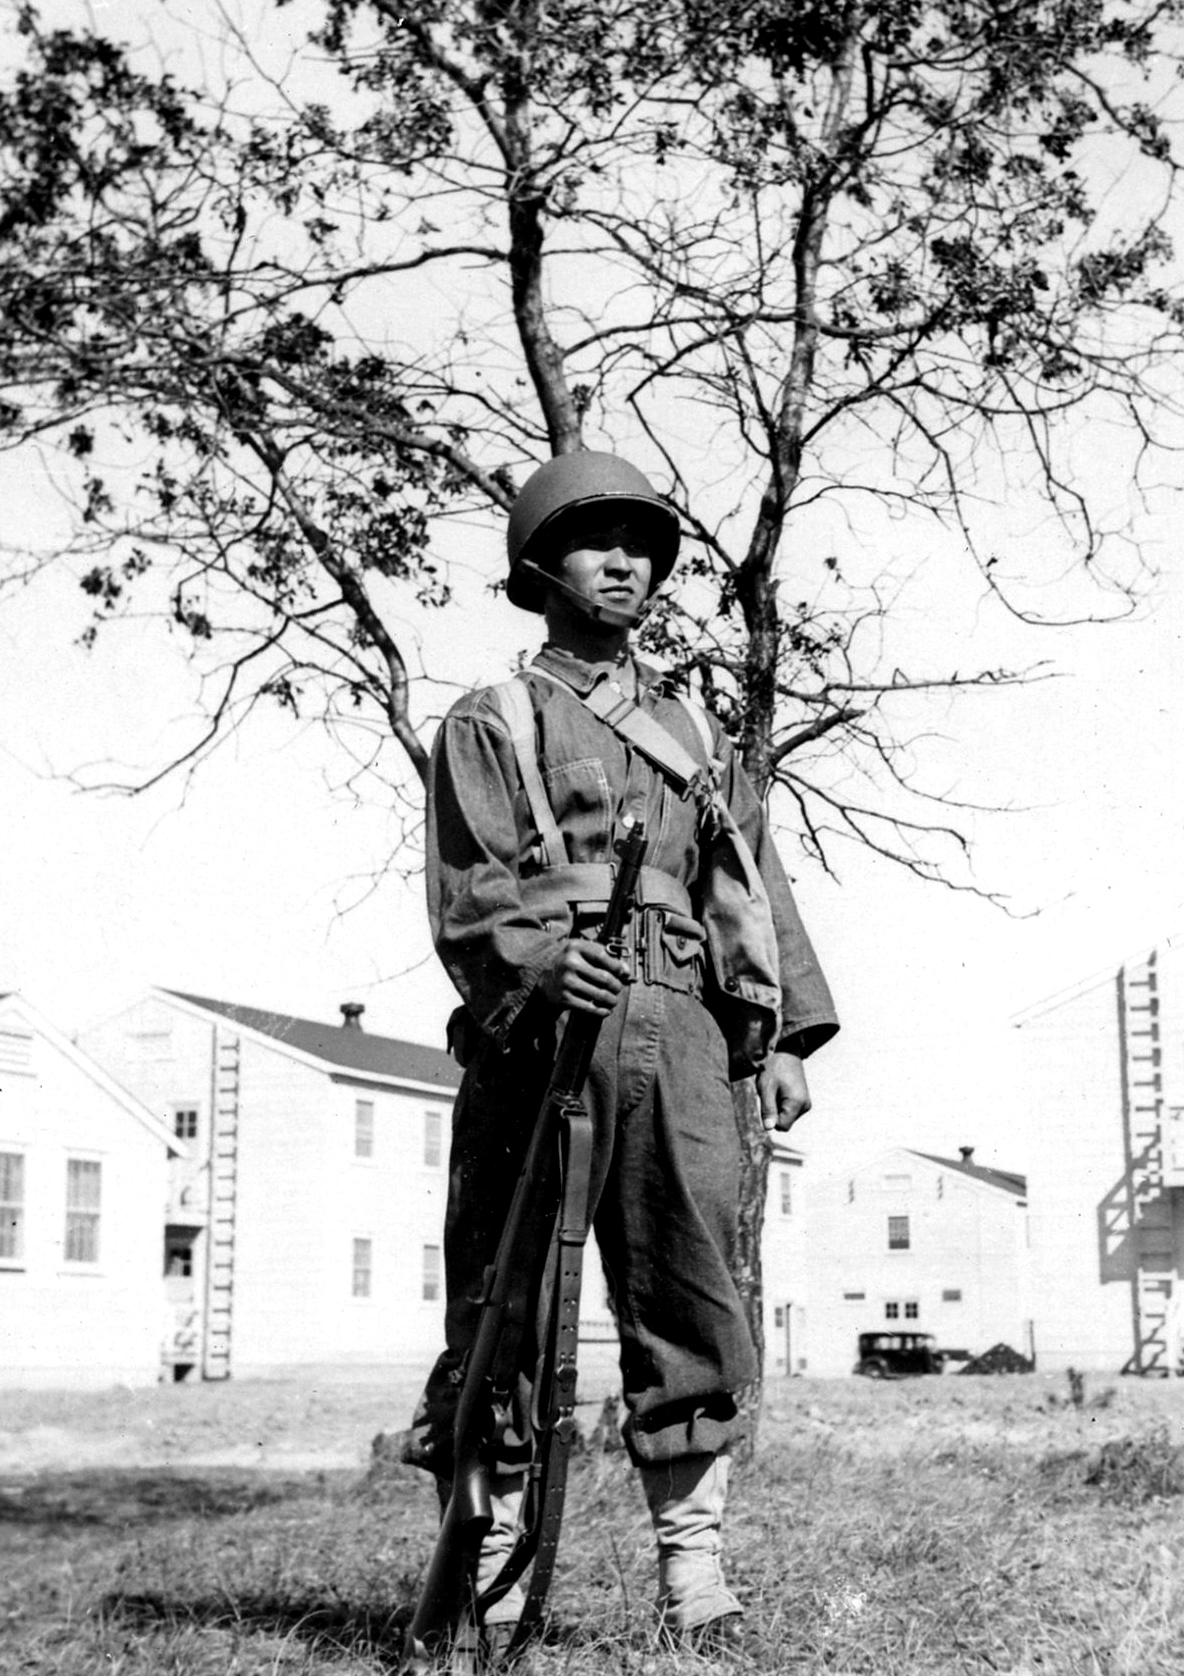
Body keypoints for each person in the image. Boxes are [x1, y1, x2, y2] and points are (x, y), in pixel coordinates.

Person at [402, 450, 838, 1665]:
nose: (626, 564)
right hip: (538, 1039)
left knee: (692, 1292)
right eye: (597, 542)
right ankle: (484, 1567)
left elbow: (751, 876)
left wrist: (786, 1029)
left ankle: (694, 1572)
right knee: (505, 1295)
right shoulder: (490, 720)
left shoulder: (693, 729)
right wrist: (540, 970)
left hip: (684, 1027)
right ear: (539, 568)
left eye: (643, 545)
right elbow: (470, 885)